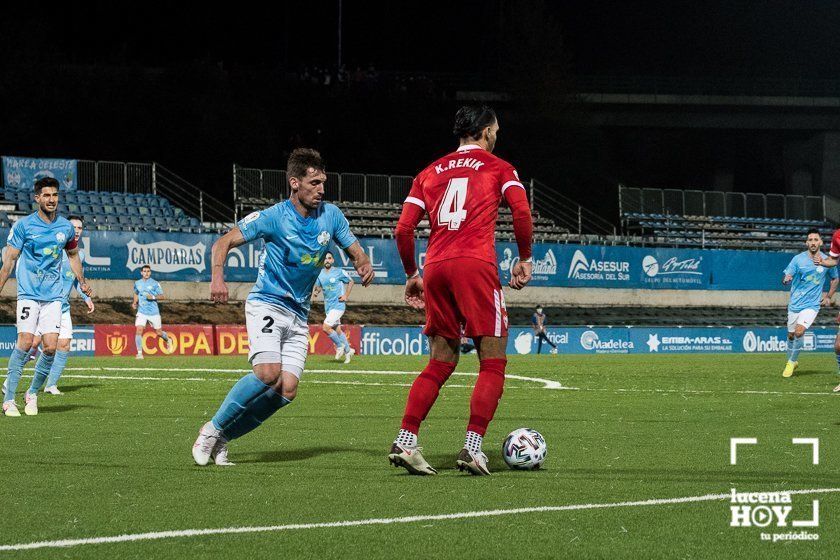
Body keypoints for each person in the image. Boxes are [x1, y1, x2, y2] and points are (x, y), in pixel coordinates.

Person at [192, 148, 374, 466]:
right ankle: (210, 429)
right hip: (268, 303)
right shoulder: (273, 217)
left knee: (287, 389)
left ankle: (224, 438)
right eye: (314, 183)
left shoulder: (331, 216)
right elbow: (223, 242)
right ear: (294, 183)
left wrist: (363, 263)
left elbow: (355, 249)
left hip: (299, 315)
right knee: (267, 374)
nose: (321, 189)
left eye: (323, 182)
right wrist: (218, 278)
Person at [388, 105, 534, 475]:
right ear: (485, 132)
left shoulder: (429, 172)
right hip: (475, 264)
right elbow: (521, 212)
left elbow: (404, 230)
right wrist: (525, 258)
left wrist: (411, 273)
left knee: (440, 361)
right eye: (496, 130)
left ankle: (406, 441)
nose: (497, 136)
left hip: (436, 266)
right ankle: (472, 447)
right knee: (493, 359)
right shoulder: (500, 167)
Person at [0, 177, 92, 416]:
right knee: (26, 342)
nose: (52, 200)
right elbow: (9, 262)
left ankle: (32, 394)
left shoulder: (65, 228)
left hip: (53, 297)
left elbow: (73, 256)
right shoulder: (23, 226)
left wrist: (82, 282)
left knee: (50, 348)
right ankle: (9, 400)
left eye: (55, 195)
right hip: (29, 294)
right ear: (37, 198)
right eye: (47, 195)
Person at [27, 215, 95, 395]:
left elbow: (75, 280)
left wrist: (85, 297)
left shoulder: (79, 254)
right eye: (74, 227)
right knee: (31, 342)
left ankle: (51, 385)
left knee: (64, 345)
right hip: (45, 304)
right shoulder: (54, 248)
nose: (77, 230)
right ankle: (12, 380)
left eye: (80, 227)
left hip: (63, 306)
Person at [782, 229, 838, 377]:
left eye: (815, 240)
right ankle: (791, 361)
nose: (813, 242)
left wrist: (828, 296)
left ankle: (791, 362)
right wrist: (786, 279)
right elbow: (788, 274)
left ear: (820, 242)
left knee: (800, 331)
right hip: (795, 304)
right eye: (810, 240)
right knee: (791, 335)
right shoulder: (797, 259)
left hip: (812, 305)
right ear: (807, 243)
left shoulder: (828, 261)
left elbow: (835, 279)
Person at [313, 251, 355, 363]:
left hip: (338, 305)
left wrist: (346, 295)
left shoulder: (339, 272)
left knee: (326, 327)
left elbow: (351, 281)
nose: (327, 260)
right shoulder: (320, 274)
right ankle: (348, 351)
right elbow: (318, 287)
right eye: (325, 259)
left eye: (329, 258)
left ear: (332, 260)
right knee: (338, 330)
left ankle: (339, 346)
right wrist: (316, 292)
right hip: (328, 307)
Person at [132, 265, 173, 359]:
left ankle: (168, 339)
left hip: (153, 312)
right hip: (141, 312)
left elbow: (162, 296)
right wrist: (134, 302)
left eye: (148, 271)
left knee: (158, 332)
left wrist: (153, 297)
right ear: (141, 273)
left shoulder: (155, 283)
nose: (146, 273)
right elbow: (136, 293)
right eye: (144, 271)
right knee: (139, 330)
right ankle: (139, 353)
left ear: (150, 273)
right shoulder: (137, 283)